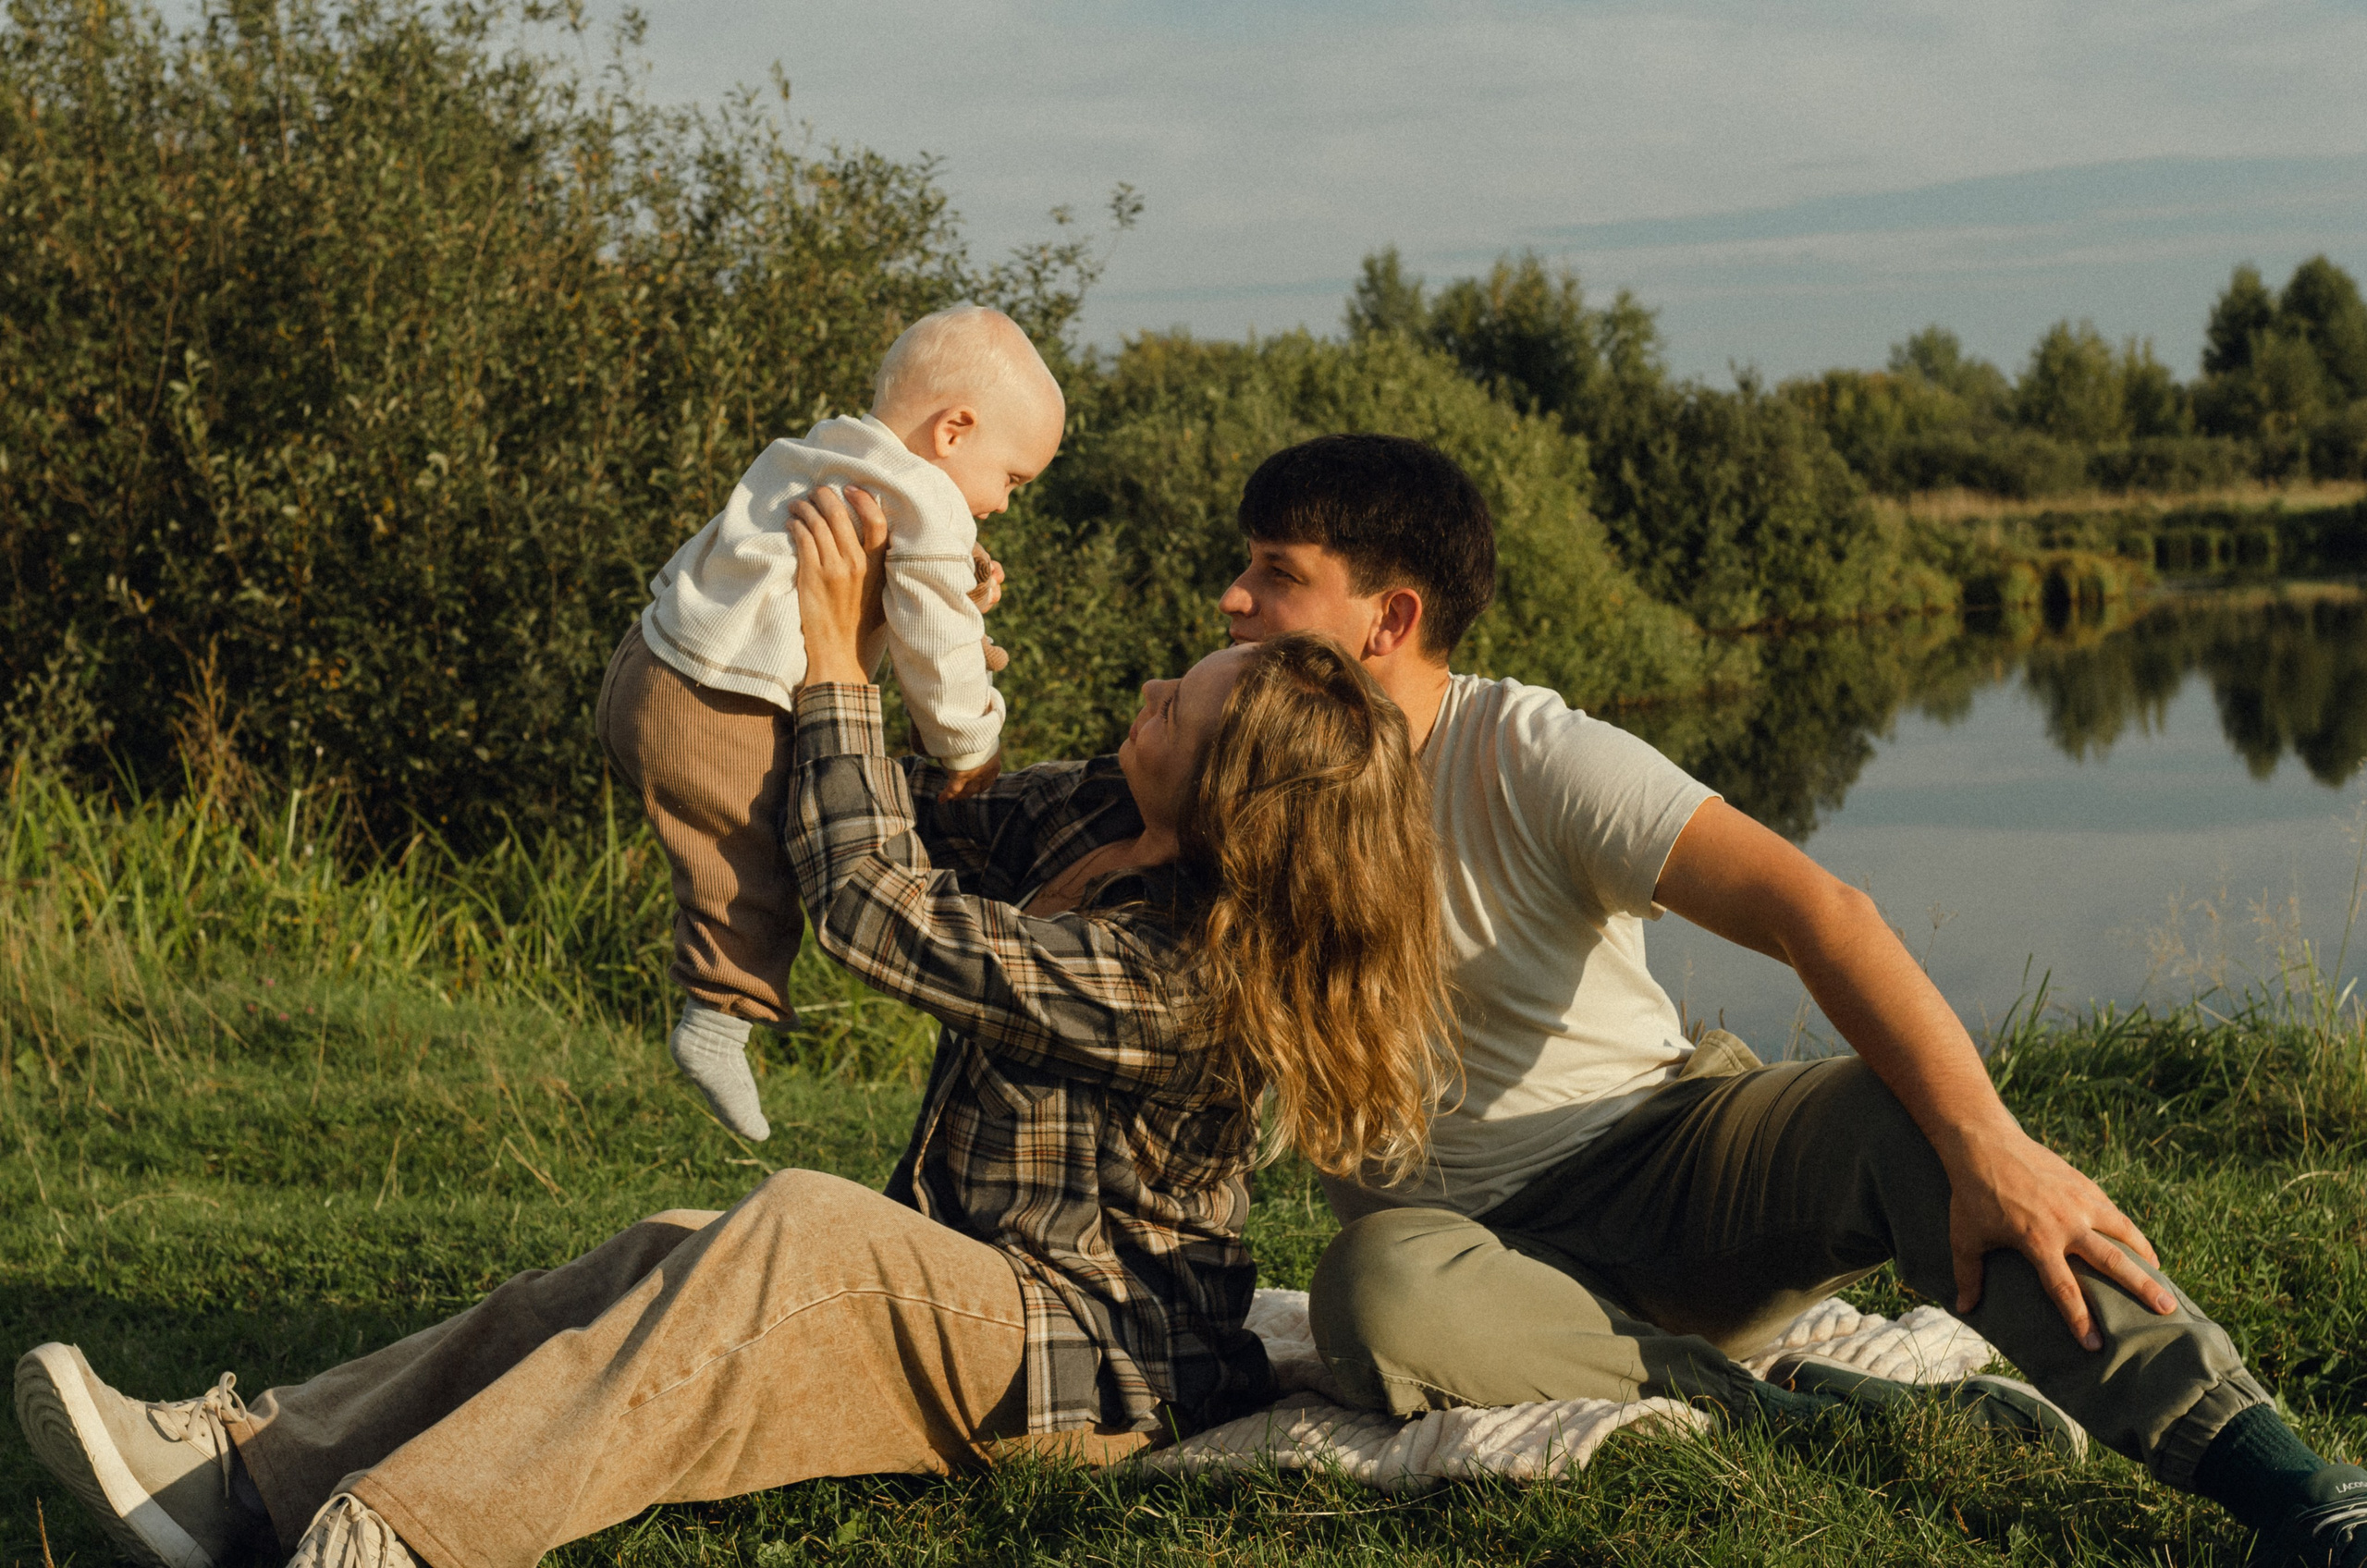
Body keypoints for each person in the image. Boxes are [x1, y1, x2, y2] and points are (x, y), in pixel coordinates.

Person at [14, 486, 1452, 1568]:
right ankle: (247, 1475)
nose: (1153, 687)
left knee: (798, 1230)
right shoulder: (1093, 816)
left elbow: (879, 914)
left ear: (1233, 796)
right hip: (978, 1290)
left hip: (1093, 1357)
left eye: (1179, 706)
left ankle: (406, 1531)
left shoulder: (1186, 974)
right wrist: (890, 631)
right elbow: (900, 819)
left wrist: (833, 658)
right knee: (662, 1251)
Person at [1220, 433, 2367, 1568]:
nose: (1233, 600)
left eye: (1277, 573)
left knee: (1915, 1125)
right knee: (1371, 1291)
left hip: (1667, 1167)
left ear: (1391, 617)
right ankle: (1811, 1416)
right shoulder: (1235, 783)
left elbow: (1821, 914)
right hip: (1469, 1272)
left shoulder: (1531, 753)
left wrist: (1985, 1141)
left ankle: (2288, 1484)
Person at [599, 302, 1054, 1144]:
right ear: (955, 431)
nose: (1001, 505)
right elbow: (940, 660)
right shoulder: (930, 501)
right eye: (1012, 481)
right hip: (716, 705)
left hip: (645, 664)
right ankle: (718, 1019)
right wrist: (971, 738)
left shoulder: (832, 447)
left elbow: (891, 586)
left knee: (734, 847)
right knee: (767, 864)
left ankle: (717, 1015)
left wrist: (957, 575)